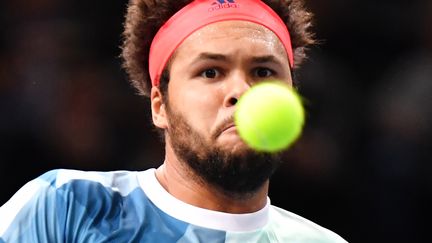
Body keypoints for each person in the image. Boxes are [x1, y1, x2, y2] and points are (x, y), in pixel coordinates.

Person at [0, 0, 348, 242]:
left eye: (263, 72)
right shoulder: (65, 207)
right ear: (159, 106)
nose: (242, 91)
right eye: (210, 72)